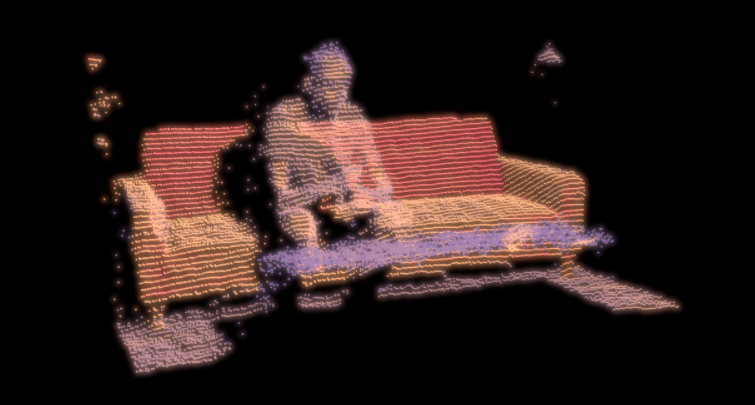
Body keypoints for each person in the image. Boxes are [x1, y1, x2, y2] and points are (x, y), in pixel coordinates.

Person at [261, 41, 412, 248]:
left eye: (345, 85)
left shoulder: (354, 118)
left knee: (396, 220)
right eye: (332, 85)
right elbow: (282, 197)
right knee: (304, 231)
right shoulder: (285, 120)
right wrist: (326, 190)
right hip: (304, 208)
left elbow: (382, 181)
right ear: (309, 84)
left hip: (348, 205)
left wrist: (365, 199)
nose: (341, 94)